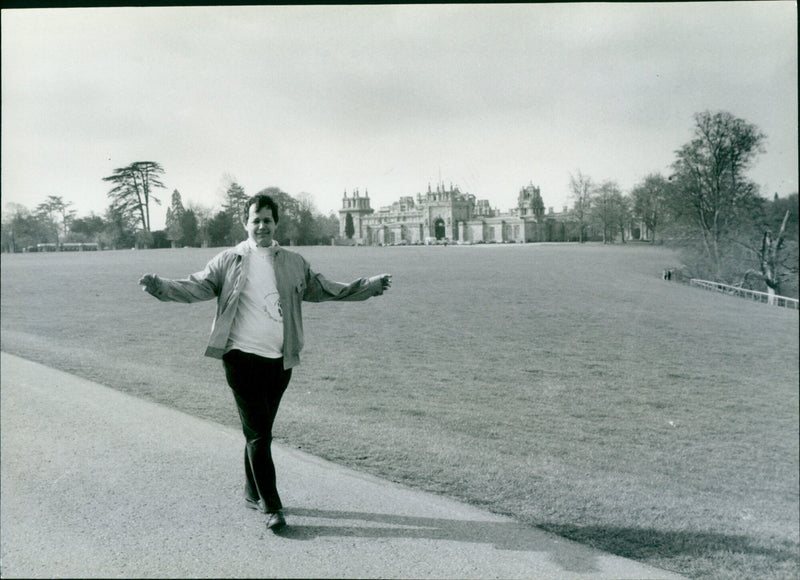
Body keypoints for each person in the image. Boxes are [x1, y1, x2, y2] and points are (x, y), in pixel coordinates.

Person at [138, 193, 391, 532]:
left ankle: (250, 490)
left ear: (276, 224)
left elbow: (326, 289)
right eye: (255, 219)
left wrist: (369, 286)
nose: (261, 226)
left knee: (260, 432)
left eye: (267, 220)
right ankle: (272, 506)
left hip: (279, 360)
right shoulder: (229, 260)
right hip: (240, 358)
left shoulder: (293, 262)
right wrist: (160, 287)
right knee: (258, 434)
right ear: (246, 223)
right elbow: (195, 287)